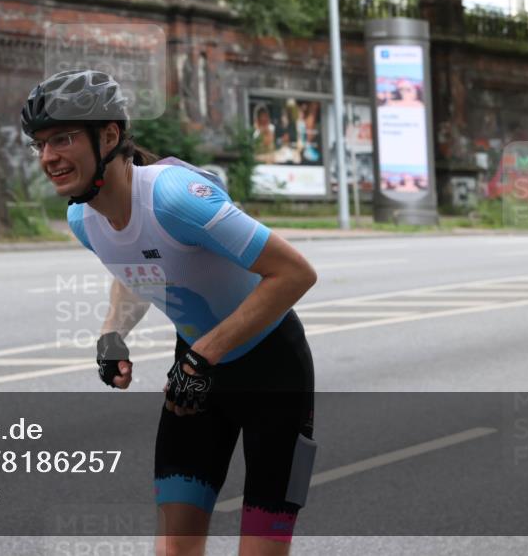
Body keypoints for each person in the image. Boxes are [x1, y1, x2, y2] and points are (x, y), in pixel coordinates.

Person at [22, 70, 319, 556]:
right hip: (197, 376)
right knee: (173, 550)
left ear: (109, 135)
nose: (48, 156)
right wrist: (112, 334)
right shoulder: (83, 218)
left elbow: (295, 274)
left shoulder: (175, 197)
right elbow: (134, 265)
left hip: (274, 374)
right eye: (40, 144)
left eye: (63, 139)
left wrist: (202, 356)